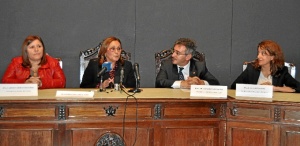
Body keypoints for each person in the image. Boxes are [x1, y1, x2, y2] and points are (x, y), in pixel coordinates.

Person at [231, 40, 300, 93]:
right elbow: (234, 86)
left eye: (263, 54)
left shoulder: (281, 71)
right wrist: (259, 88)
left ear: (272, 57)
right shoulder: (251, 68)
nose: (258, 56)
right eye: (258, 53)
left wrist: (274, 88)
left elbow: (298, 88)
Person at [1, 35, 66, 88]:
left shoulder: (53, 62)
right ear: (26, 51)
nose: (36, 49)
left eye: (39, 46)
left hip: (46, 101)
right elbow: (5, 81)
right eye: (32, 47)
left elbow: (62, 82)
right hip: (23, 100)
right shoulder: (16, 62)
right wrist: (25, 82)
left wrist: (41, 83)